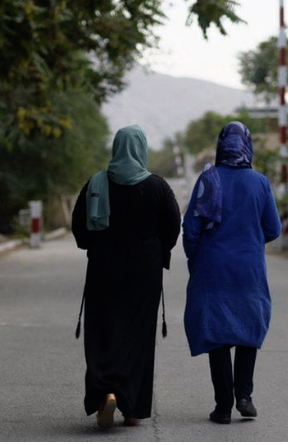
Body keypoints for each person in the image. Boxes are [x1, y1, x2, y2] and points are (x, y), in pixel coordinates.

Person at [72, 125, 181, 429]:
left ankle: (106, 392)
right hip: (144, 272)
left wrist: (99, 246)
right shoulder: (157, 187)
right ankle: (131, 407)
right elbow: (173, 228)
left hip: (103, 268)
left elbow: (80, 232)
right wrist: (155, 250)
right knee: (137, 335)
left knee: (103, 330)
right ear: (142, 149)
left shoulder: (95, 184)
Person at [182, 121, 281, 425]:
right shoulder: (260, 182)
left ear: (221, 145)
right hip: (248, 268)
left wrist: (194, 258)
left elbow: (190, 228)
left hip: (213, 267)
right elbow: (273, 229)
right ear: (247, 145)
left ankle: (223, 406)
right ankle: (245, 397)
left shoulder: (208, 179)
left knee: (217, 333)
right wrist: (248, 239)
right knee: (248, 328)